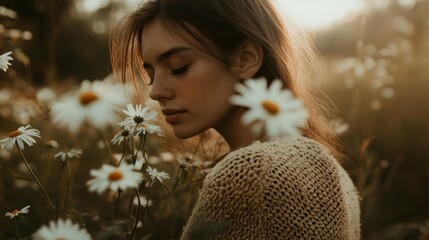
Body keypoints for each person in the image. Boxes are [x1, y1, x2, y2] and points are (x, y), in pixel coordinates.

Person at [111, 0, 361, 239]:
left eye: (178, 67)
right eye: (150, 73)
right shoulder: (328, 167)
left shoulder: (252, 171)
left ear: (246, 58)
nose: (156, 92)